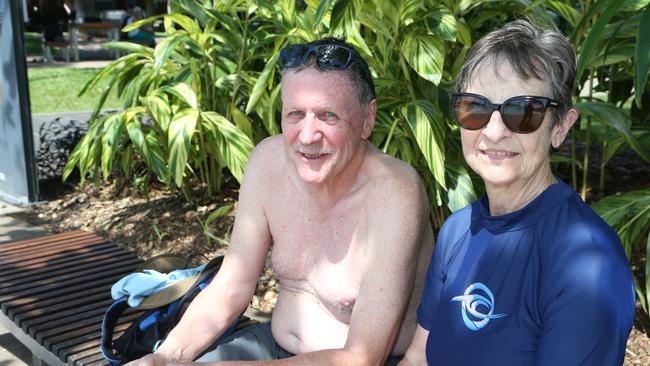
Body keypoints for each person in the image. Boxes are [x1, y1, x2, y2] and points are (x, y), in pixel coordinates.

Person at [127, 38, 434, 366]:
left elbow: (362, 357)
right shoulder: (268, 162)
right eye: (295, 114)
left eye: (327, 116)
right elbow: (232, 285)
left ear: (367, 119)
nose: (306, 136)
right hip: (274, 347)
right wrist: (164, 357)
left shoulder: (395, 192)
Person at [399, 19, 636, 366]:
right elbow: (418, 358)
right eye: (475, 107)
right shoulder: (457, 230)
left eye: (523, 111)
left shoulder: (588, 264)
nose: (494, 132)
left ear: (561, 127)